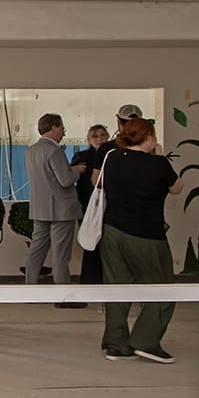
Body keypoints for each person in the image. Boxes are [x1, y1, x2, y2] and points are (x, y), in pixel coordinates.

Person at [99, 117, 184, 363]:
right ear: (148, 137)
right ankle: (146, 340)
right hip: (147, 234)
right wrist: (160, 157)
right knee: (162, 288)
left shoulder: (112, 159)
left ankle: (116, 343)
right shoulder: (158, 164)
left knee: (117, 287)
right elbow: (177, 187)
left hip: (113, 231)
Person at [24, 113, 86, 307]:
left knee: (36, 250)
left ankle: (29, 291)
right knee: (60, 255)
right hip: (61, 209)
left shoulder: (31, 151)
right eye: (62, 129)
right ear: (53, 128)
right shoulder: (54, 151)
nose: (63, 133)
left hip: (40, 207)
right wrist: (77, 170)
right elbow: (65, 180)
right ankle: (63, 296)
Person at [71, 123, 110, 286]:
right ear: (89, 139)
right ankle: (90, 282)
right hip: (87, 206)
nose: (99, 139)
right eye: (95, 136)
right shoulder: (82, 156)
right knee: (91, 244)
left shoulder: (113, 155)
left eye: (102, 135)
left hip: (109, 206)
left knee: (108, 245)